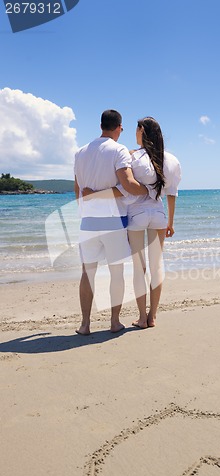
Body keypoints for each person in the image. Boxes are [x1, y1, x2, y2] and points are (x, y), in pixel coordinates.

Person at [83, 117, 181, 329]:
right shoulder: (171, 160)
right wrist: (171, 222)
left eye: (136, 129)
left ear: (141, 131)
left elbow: (124, 188)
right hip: (158, 215)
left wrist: (93, 194)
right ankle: (153, 316)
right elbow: (172, 194)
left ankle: (141, 318)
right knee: (156, 266)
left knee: (140, 268)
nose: (134, 133)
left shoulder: (132, 156)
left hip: (136, 215)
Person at [74, 109, 147, 335]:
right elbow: (127, 183)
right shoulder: (119, 150)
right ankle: (114, 322)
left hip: (88, 221)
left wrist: (88, 202)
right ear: (119, 127)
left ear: (101, 126)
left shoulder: (80, 152)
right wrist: (148, 190)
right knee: (116, 272)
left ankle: (85, 324)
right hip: (113, 220)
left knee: (87, 273)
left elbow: (78, 190)